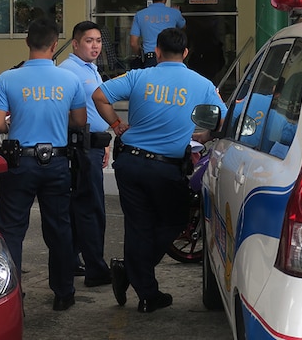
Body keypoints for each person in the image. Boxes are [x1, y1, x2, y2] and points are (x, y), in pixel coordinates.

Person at [92, 27, 227, 313]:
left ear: (158, 52)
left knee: (138, 227)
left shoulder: (139, 76)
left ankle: (142, 286)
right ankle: (139, 283)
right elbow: (223, 122)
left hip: (130, 163)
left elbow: (98, 95)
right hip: (165, 169)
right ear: (186, 53)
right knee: (175, 221)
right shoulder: (202, 84)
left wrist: (117, 124)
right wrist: (206, 136)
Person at [0, 17, 87, 312]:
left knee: (11, 230)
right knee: (59, 229)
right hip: (57, 163)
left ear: (27, 42)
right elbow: (80, 121)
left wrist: (15, 121)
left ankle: (12, 294)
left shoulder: (7, 78)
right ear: (55, 45)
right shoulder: (70, 80)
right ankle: (63, 293)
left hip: (20, 163)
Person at [58, 21, 114, 288]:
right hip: (81, 146)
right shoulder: (70, 71)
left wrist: (103, 142)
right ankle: (96, 269)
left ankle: (72, 260)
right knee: (91, 208)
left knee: (80, 206)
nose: (95, 46)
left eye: (99, 41)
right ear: (76, 43)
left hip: (91, 143)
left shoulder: (88, 69)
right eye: (89, 41)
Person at [130, 0, 186, 67]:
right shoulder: (175, 13)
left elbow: (133, 43)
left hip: (150, 58)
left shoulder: (140, 15)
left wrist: (141, 54)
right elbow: (184, 29)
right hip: (171, 56)